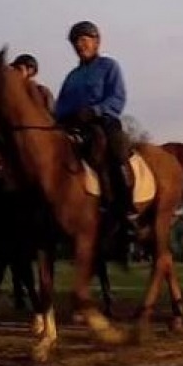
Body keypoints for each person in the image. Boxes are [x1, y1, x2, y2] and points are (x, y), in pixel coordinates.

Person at [54, 20, 137, 239]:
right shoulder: (72, 77)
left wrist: (96, 110)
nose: (79, 45)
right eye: (75, 42)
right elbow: (60, 105)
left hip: (103, 121)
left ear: (96, 41)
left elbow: (118, 97)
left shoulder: (109, 66)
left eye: (83, 40)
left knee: (115, 149)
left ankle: (124, 208)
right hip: (73, 125)